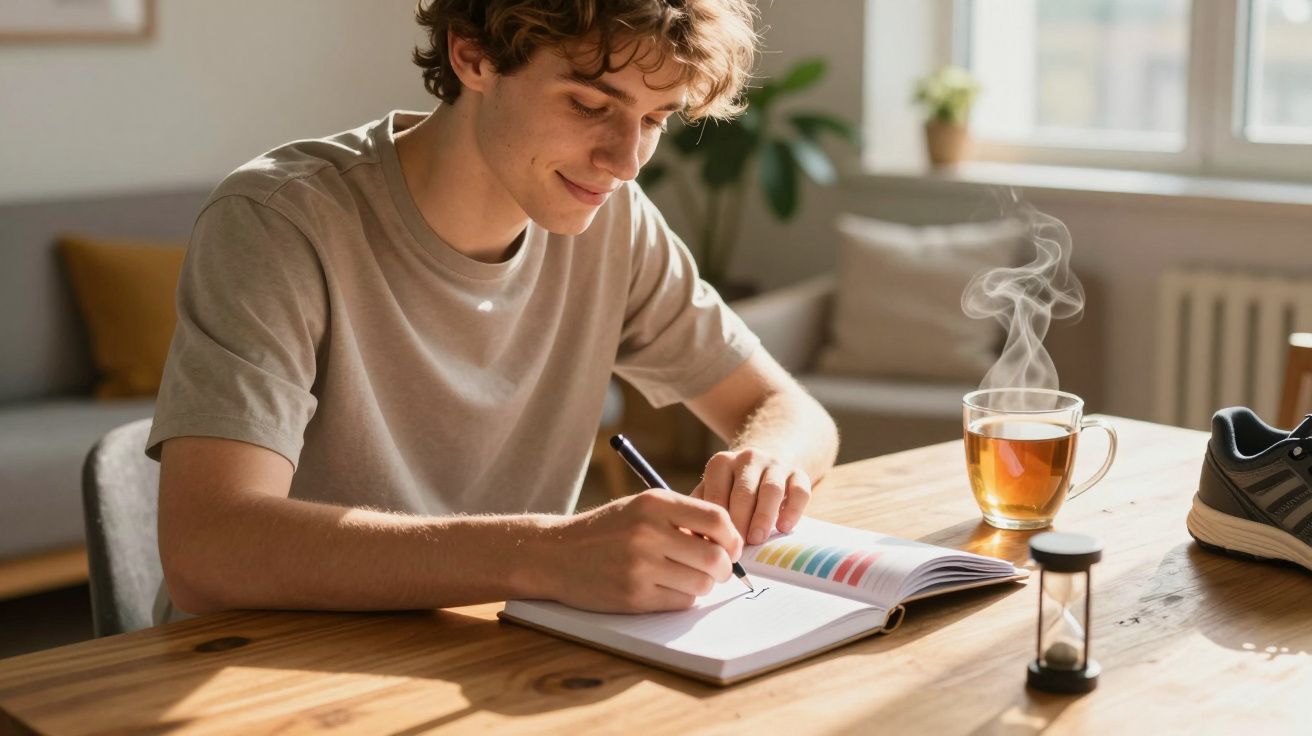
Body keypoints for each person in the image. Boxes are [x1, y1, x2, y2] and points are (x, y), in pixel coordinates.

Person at [149, 0, 838, 624]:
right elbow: (209, 550)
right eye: (590, 104)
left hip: (494, 654)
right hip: (272, 667)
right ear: (472, 55)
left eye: (654, 119)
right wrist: (547, 555)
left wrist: (766, 462)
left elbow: (794, 412)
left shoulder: (614, 222)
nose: (627, 160)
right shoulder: (280, 221)